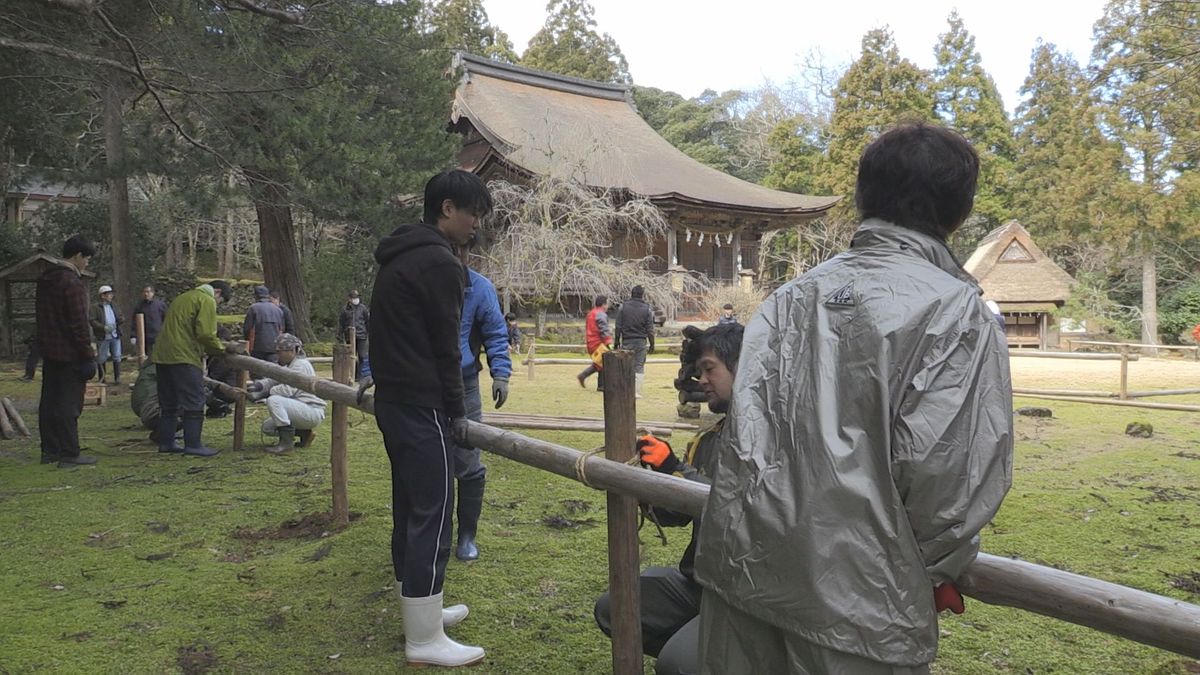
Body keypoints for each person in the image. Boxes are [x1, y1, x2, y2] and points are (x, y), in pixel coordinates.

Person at [693, 121, 1014, 673]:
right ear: (958, 213)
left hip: (743, 576)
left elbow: (745, 437)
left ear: (863, 198)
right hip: (859, 608)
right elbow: (948, 480)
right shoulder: (956, 311)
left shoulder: (788, 298)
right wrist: (930, 570)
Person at [365, 169, 490, 667]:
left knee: (411, 505)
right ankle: (423, 639)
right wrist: (457, 411)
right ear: (447, 209)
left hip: (395, 401)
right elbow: (446, 345)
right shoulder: (439, 263)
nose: (476, 224)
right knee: (434, 513)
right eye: (473, 213)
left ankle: (422, 608)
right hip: (423, 405)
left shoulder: (400, 255)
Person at [594, 322, 742, 675]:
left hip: (743, 596)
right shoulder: (706, 441)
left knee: (676, 664)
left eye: (710, 369)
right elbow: (679, 515)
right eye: (699, 371)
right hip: (700, 584)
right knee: (614, 608)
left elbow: (736, 511)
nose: (702, 380)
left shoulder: (773, 440)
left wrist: (675, 467)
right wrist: (653, 477)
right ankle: (708, 648)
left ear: (744, 365)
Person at [451, 241, 512, 562]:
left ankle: (467, 535)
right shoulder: (419, 282)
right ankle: (436, 534)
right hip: (423, 384)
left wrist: (500, 373)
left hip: (465, 383)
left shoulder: (480, 288)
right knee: (432, 463)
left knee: (469, 458)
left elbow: (495, 333)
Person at [36, 234, 99, 467]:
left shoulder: (46, 278)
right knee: (69, 404)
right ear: (78, 255)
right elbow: (78, 323)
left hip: (50, 351)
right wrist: (87, 354)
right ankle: (70, 453)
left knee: (50, 401)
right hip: (70, 353)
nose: (87, 263)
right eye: (87, 258)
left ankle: (49, 450)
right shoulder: (71, 282)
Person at [152, 280, 233, 457]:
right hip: (183, 356)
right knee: (195, 400)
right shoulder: (206, 300)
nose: (218, 305)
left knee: (169, 403)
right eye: (221, 301)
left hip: (162, 356)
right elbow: (205, 333)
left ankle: (166, 442)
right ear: (217, 292)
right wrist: (220, 349)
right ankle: (193, 445)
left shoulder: (183, 297)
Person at [246, 333, 326, 454]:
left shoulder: (301, 365)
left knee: (274, 400)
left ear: (294, 350)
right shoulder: (290, 364)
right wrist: (258, 386)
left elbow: (288, 390)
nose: (278, 354)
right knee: (267, 428)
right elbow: (274, 378)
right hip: (300, 408)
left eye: (281, 351)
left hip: (311, 410)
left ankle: (286, 445)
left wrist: (265, 393)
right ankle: (305, 433)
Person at [615, 285, 655, 398]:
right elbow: (650, 330)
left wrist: (616, 341)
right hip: (641, 341)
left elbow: (618, 326)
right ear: (642, 295)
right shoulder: (647, 309)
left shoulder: (623, 308)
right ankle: (635, 392)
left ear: (631, 294)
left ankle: (624, 389)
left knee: (625, 365)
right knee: (639, 366)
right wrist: (652, 344)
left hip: (627, 340)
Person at [576, 296, 613, 391]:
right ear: (604, 304)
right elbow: (604, 330)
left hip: (590, 342)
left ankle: (601, 386)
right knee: (602, 363)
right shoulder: (601, 314)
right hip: (598, 343)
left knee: (601, 364)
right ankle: (583, 375)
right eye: (607, 304)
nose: (607, 306)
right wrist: (609, 342)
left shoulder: (590, 314)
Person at [90, 284, 124, 384]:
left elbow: (120, 316)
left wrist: (120, 320)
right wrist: (103, 327)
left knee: (117, 356)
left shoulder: (115, 305)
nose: (111, 296)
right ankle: (102, 378)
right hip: (103, 336)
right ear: (102, 295)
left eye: (111, 294)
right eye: (108, 294)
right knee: (102, 357)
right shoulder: (95, 307)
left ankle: (117, 378)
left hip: (115, 335)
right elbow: (92, 320)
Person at [243, 285, 285, 362]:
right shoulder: (278, 310)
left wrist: (246, 342)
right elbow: (281, 328)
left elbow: (247, 328)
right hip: (274, 347)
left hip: (257, 347)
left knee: (257, 371)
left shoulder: (253, 308)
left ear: (256, 296)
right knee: (273, 370)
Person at [338, 289, 370, 381]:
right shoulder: (345, 310)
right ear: (349, 299)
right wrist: (340, 335)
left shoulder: (363, 308)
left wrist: (369, 332)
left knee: (362, 356)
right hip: (349, 336)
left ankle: (361, 375)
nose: (355, 299)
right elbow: (341, 323)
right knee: (351, 356)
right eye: (353, 298)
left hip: (362, 335)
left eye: (357, 297)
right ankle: (354, 374)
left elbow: (367, 321)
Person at [133, 285, 168, 354]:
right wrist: (133, 335)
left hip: (158, 336)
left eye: (148, 292)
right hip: (145, 337)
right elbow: (134, 322)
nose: (146, 294)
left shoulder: (160, 305)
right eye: (144, 292)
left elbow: (166, 319)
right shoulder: (139, 306)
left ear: (153, 293)